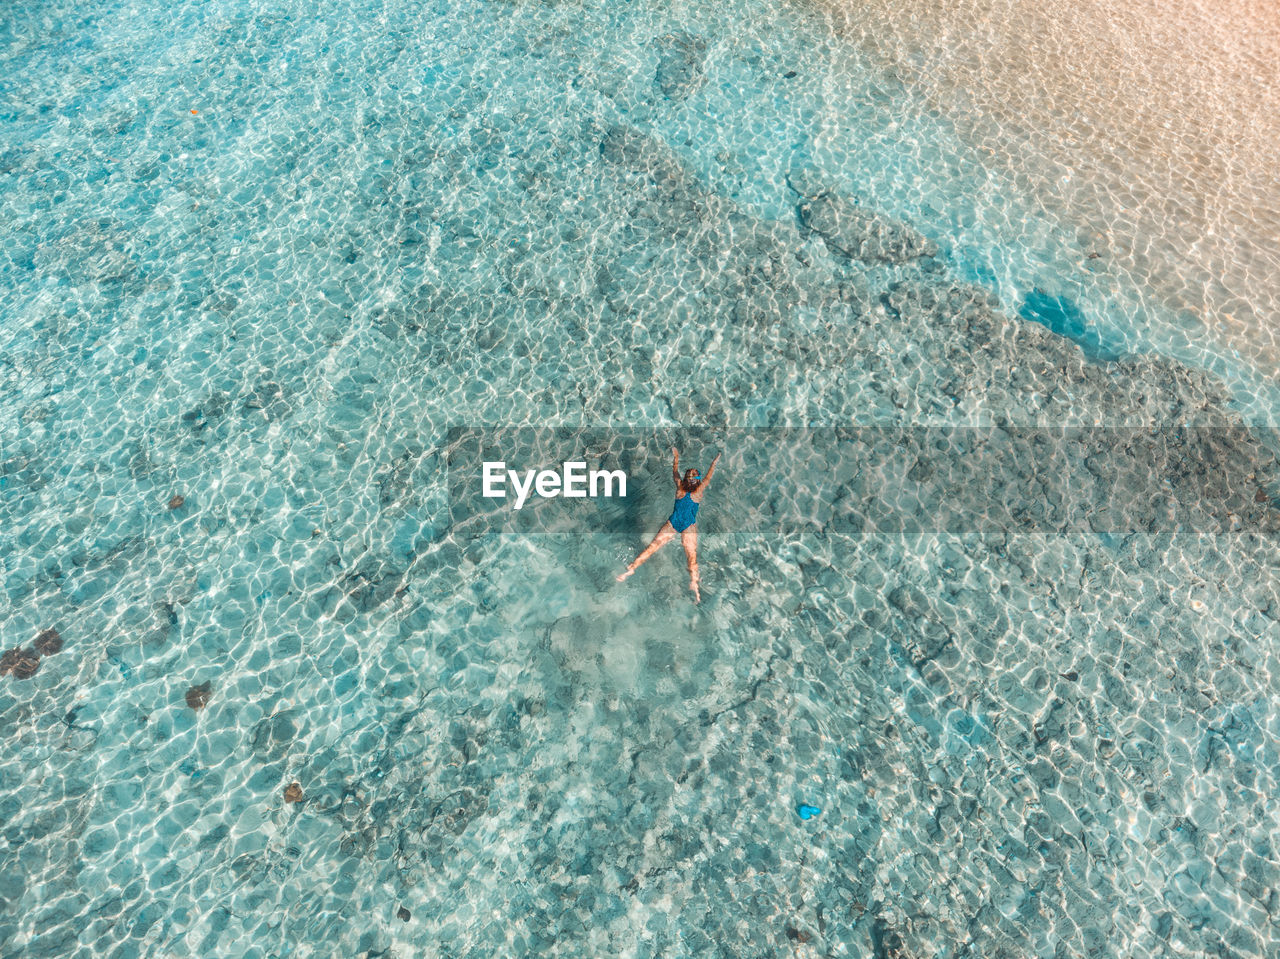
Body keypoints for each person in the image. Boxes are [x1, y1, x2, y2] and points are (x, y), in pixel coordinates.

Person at [617, 447, 721, 602]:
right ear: (697, 481)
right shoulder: (699, 491)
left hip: (672, 523)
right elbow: (709, 476)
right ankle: (694, 585)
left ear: (685, 479)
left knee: (652, 547)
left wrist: (676, 458)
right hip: (688, 526)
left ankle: (631, 569)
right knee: (691, 558)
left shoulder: (679, 486)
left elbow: (675, 472)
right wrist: (714, 462)